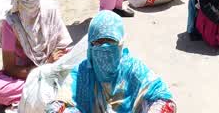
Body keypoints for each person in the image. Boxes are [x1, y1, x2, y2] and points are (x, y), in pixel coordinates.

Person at [48, 11, 176, 113]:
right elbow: (60, 99)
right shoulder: (82, 73)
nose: (104, 47)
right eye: (98, 42)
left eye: (110, 42)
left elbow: (163, 98)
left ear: (120, 44)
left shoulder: (133, 68)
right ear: (90, 46)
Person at [0, 0, 72, 108]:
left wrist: (54, 65)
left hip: (53, 67)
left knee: (80, 66)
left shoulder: (50, 11)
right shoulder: (11, 23)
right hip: (25, 73)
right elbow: (9, 68)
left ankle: (41, 90)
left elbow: (62, 48)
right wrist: (44, 67)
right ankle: (47, 89)